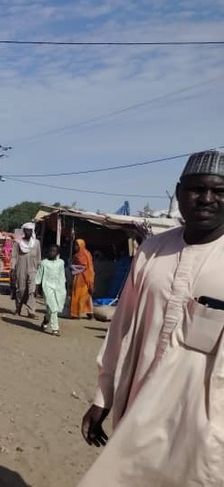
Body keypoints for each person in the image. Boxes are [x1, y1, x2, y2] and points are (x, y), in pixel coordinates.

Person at [78, 149, 224, 486]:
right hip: (139, 408)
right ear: (178, 193)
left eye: (219, 191)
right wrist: (103, 397)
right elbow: (121, 328)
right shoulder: (152, 251)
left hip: (202, 421)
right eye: (197, 189)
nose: (207, 199)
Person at [35, 244, 67, 336]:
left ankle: (46, 319)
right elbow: (39, 276)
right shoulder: (44, 263)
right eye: (50, 251)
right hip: (47, 287)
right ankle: (55, 329)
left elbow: (62, 275)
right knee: (53, 307)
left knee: (54, 307)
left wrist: (64, 287)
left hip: (58, 287)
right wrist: (36, 290)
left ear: (57, 253)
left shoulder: (61, 262)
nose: (51, 253)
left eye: (54, 251)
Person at [11, 222, 41, 317]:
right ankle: (18, 307)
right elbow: (14, 256)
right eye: (26, 230)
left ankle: (31, 311)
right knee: (21, 290)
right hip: (20, 269)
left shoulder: (36, 243)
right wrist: (12, 268)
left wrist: (39, 271)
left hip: (33, 269)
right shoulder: (18, 243)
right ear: (23, 231)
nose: (28, 232)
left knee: (31, 290)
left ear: (32, 231)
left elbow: (38, 258)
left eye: (30, 230)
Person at [70, 238, 95, 318]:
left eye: (77, 245)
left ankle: (76, 313)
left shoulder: (81, 255)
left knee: (78, 294)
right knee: (86, 295)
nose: (75, 247)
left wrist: (72, 267)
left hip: (82, 278)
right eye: (75, 245)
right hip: (87, 277)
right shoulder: (87, 253)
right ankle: (89, 312)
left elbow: (83, 266)